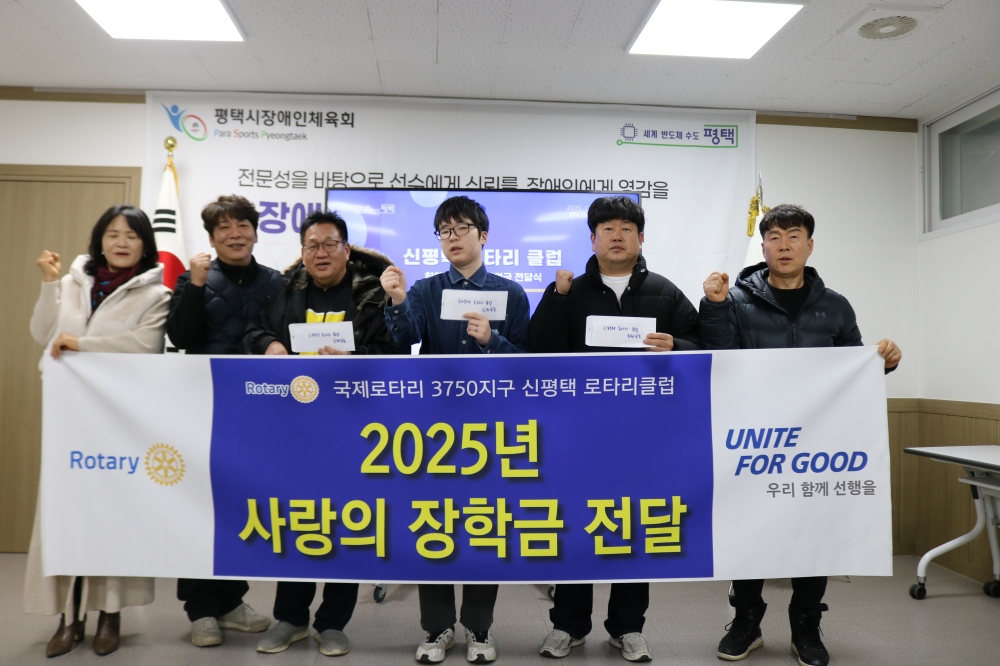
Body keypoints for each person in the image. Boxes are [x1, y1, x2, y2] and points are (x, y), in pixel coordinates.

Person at [699, 204, 901, 666]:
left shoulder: (835, 305)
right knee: (750, 530)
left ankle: (806, 626)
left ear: (810, 246)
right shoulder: (735, 299)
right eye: (774, 237)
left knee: (814, 532)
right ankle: (746, 622)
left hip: (816, 444)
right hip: (753, 439)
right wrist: (714, 307)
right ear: (763, 246)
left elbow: (853, 371)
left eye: (793, 236)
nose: (784, 245)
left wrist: (884, 361)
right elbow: (718, 355)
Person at [529, 195, 701, 663]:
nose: (617, 236)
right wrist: (556, 298)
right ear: (593, 239)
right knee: (574, 525)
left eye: (626, 228)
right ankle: (567, 625)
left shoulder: (665, 292)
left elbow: (703, 345)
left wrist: (678, 345)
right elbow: (539, 349)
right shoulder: (570, 290)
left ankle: (628, 627)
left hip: (644, 435)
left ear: (641, 238)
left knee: (634, 527)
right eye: (607, 228)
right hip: (579, 433)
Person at [241, 210, 401, 656]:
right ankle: (290, 619)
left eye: (330, 244)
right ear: (303, 252)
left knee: (347, 524)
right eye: (312, 245)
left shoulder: (373, 296)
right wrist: (270, 345)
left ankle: (332, 623)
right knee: (298, 521)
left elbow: (394, 350)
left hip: (355, 428)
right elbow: (252, 332)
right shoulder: (284, 292)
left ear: (347, 250)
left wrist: (355, 359)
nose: (321, 253)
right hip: (296, 428)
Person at [380, 195, 530, 664]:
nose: (452, 238)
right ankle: (438, 627)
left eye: (461, 228)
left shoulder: (511, 293)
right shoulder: (426, 289)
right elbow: (404, 340)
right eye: (444, 231)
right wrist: (397, 300)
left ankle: (479, 628)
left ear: (482, 236)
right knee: (435, 524)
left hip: (491, 428)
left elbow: (526, 364)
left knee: (485, 525)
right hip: (435, 428)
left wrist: (492, 341)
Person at [25, 204, 172, 657]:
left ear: (145, 245)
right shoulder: (72, 282)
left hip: (119, 421)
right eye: (113, 234)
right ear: (99, 240)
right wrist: (49, 284)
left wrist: (81, 344)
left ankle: (110, 614)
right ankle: (69, 618)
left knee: (113, 516)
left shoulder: (156, 293)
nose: (121, 242)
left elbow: (143, 346)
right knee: (66, 514)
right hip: (69, 418)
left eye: (132, 235)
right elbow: (42, 333)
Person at [166, 195, 280, 646]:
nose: (235, 234)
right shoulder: (193, 278)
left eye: (242, 225)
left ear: (255, 232)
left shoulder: (277, 281)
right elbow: (180, 336)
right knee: (199, 506)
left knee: (241, 507)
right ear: (212, 238)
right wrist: (195, 286)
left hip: (257, 411)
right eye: (224, 228)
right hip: (203, 406)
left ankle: (231, 602)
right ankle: (200, 610)